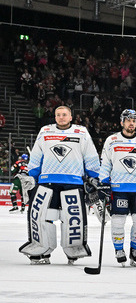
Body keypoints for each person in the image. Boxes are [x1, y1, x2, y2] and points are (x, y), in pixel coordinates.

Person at [19, 105, 101, 264]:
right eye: (58, 115)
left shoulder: (81, 132)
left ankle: (73, 249)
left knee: (72, 218)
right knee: (43, 216)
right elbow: (36, 156)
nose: (61, 117)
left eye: (64, 114)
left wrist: (94, 177)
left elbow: (90, 156)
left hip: (73, 181)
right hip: (47, 181)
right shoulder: (45, 131)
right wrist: (32, 175)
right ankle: (41, 247)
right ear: (54, 116)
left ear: (71, 117)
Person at [98, 109, 136, 267]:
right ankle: (119, 250)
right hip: (119, 188)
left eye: (134, 120)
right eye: (128, 120)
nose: (131, 123)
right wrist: (103, 182)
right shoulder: (112, 140)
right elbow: (105, 164)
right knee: (118, 220)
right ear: (122, 122)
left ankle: (135, 250)